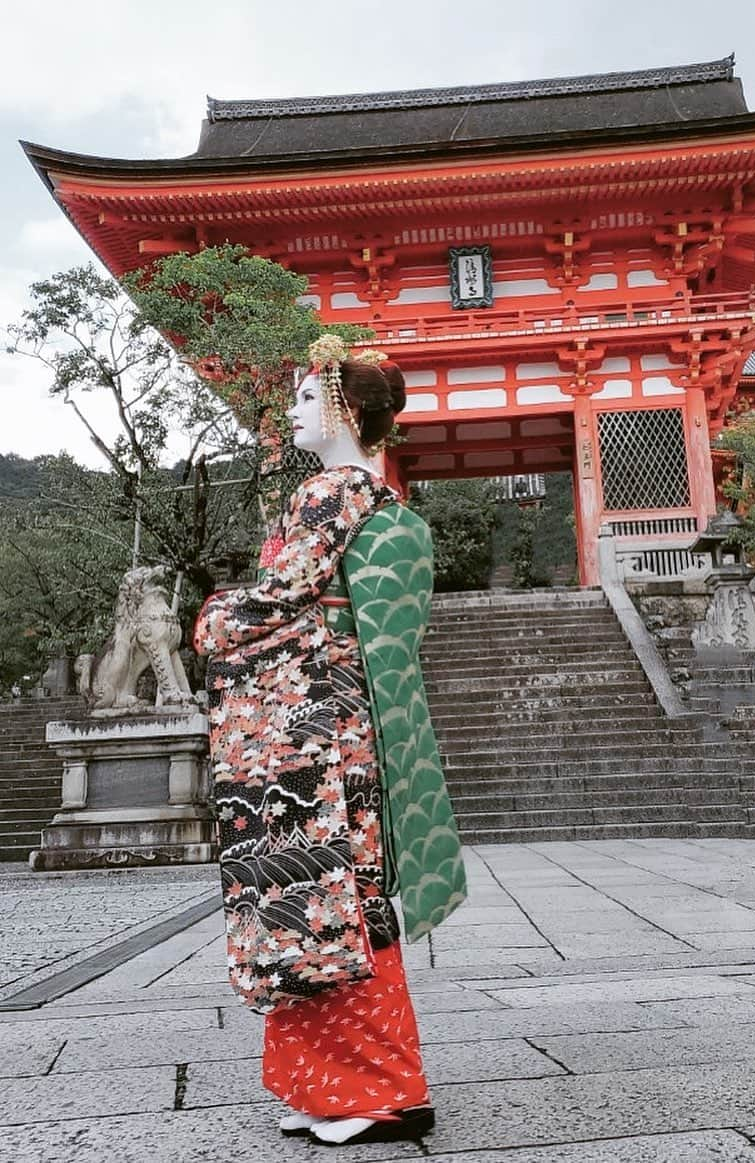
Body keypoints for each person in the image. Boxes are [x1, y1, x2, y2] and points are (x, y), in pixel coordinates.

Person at [193, 337, 467, 1146]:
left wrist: (214, 617)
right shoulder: (371, 494)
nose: (292, 411)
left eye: (308, 400)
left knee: (322, 897)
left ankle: (383, 1091)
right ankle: (341, 1087)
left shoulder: (328, 492)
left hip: (318, 729)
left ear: (347, 411)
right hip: (345, 716)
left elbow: (282, 595)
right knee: (338, 897)